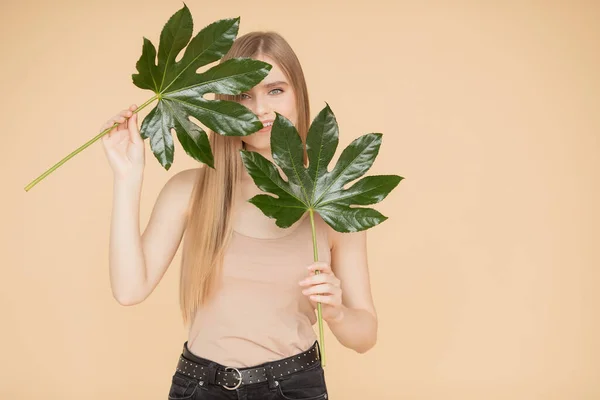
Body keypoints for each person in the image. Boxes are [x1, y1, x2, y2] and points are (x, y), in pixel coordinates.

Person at [101, 31, 378, 400]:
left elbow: (366, 336)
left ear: (299, 95)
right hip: (200, 387)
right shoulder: (191, 190)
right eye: (244, 95)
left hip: (294, 386)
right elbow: (129, 289)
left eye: (275, 90)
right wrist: (127, 177)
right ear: (226, 104)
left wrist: (337, 312)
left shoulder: (333, 205)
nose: (260, 109)